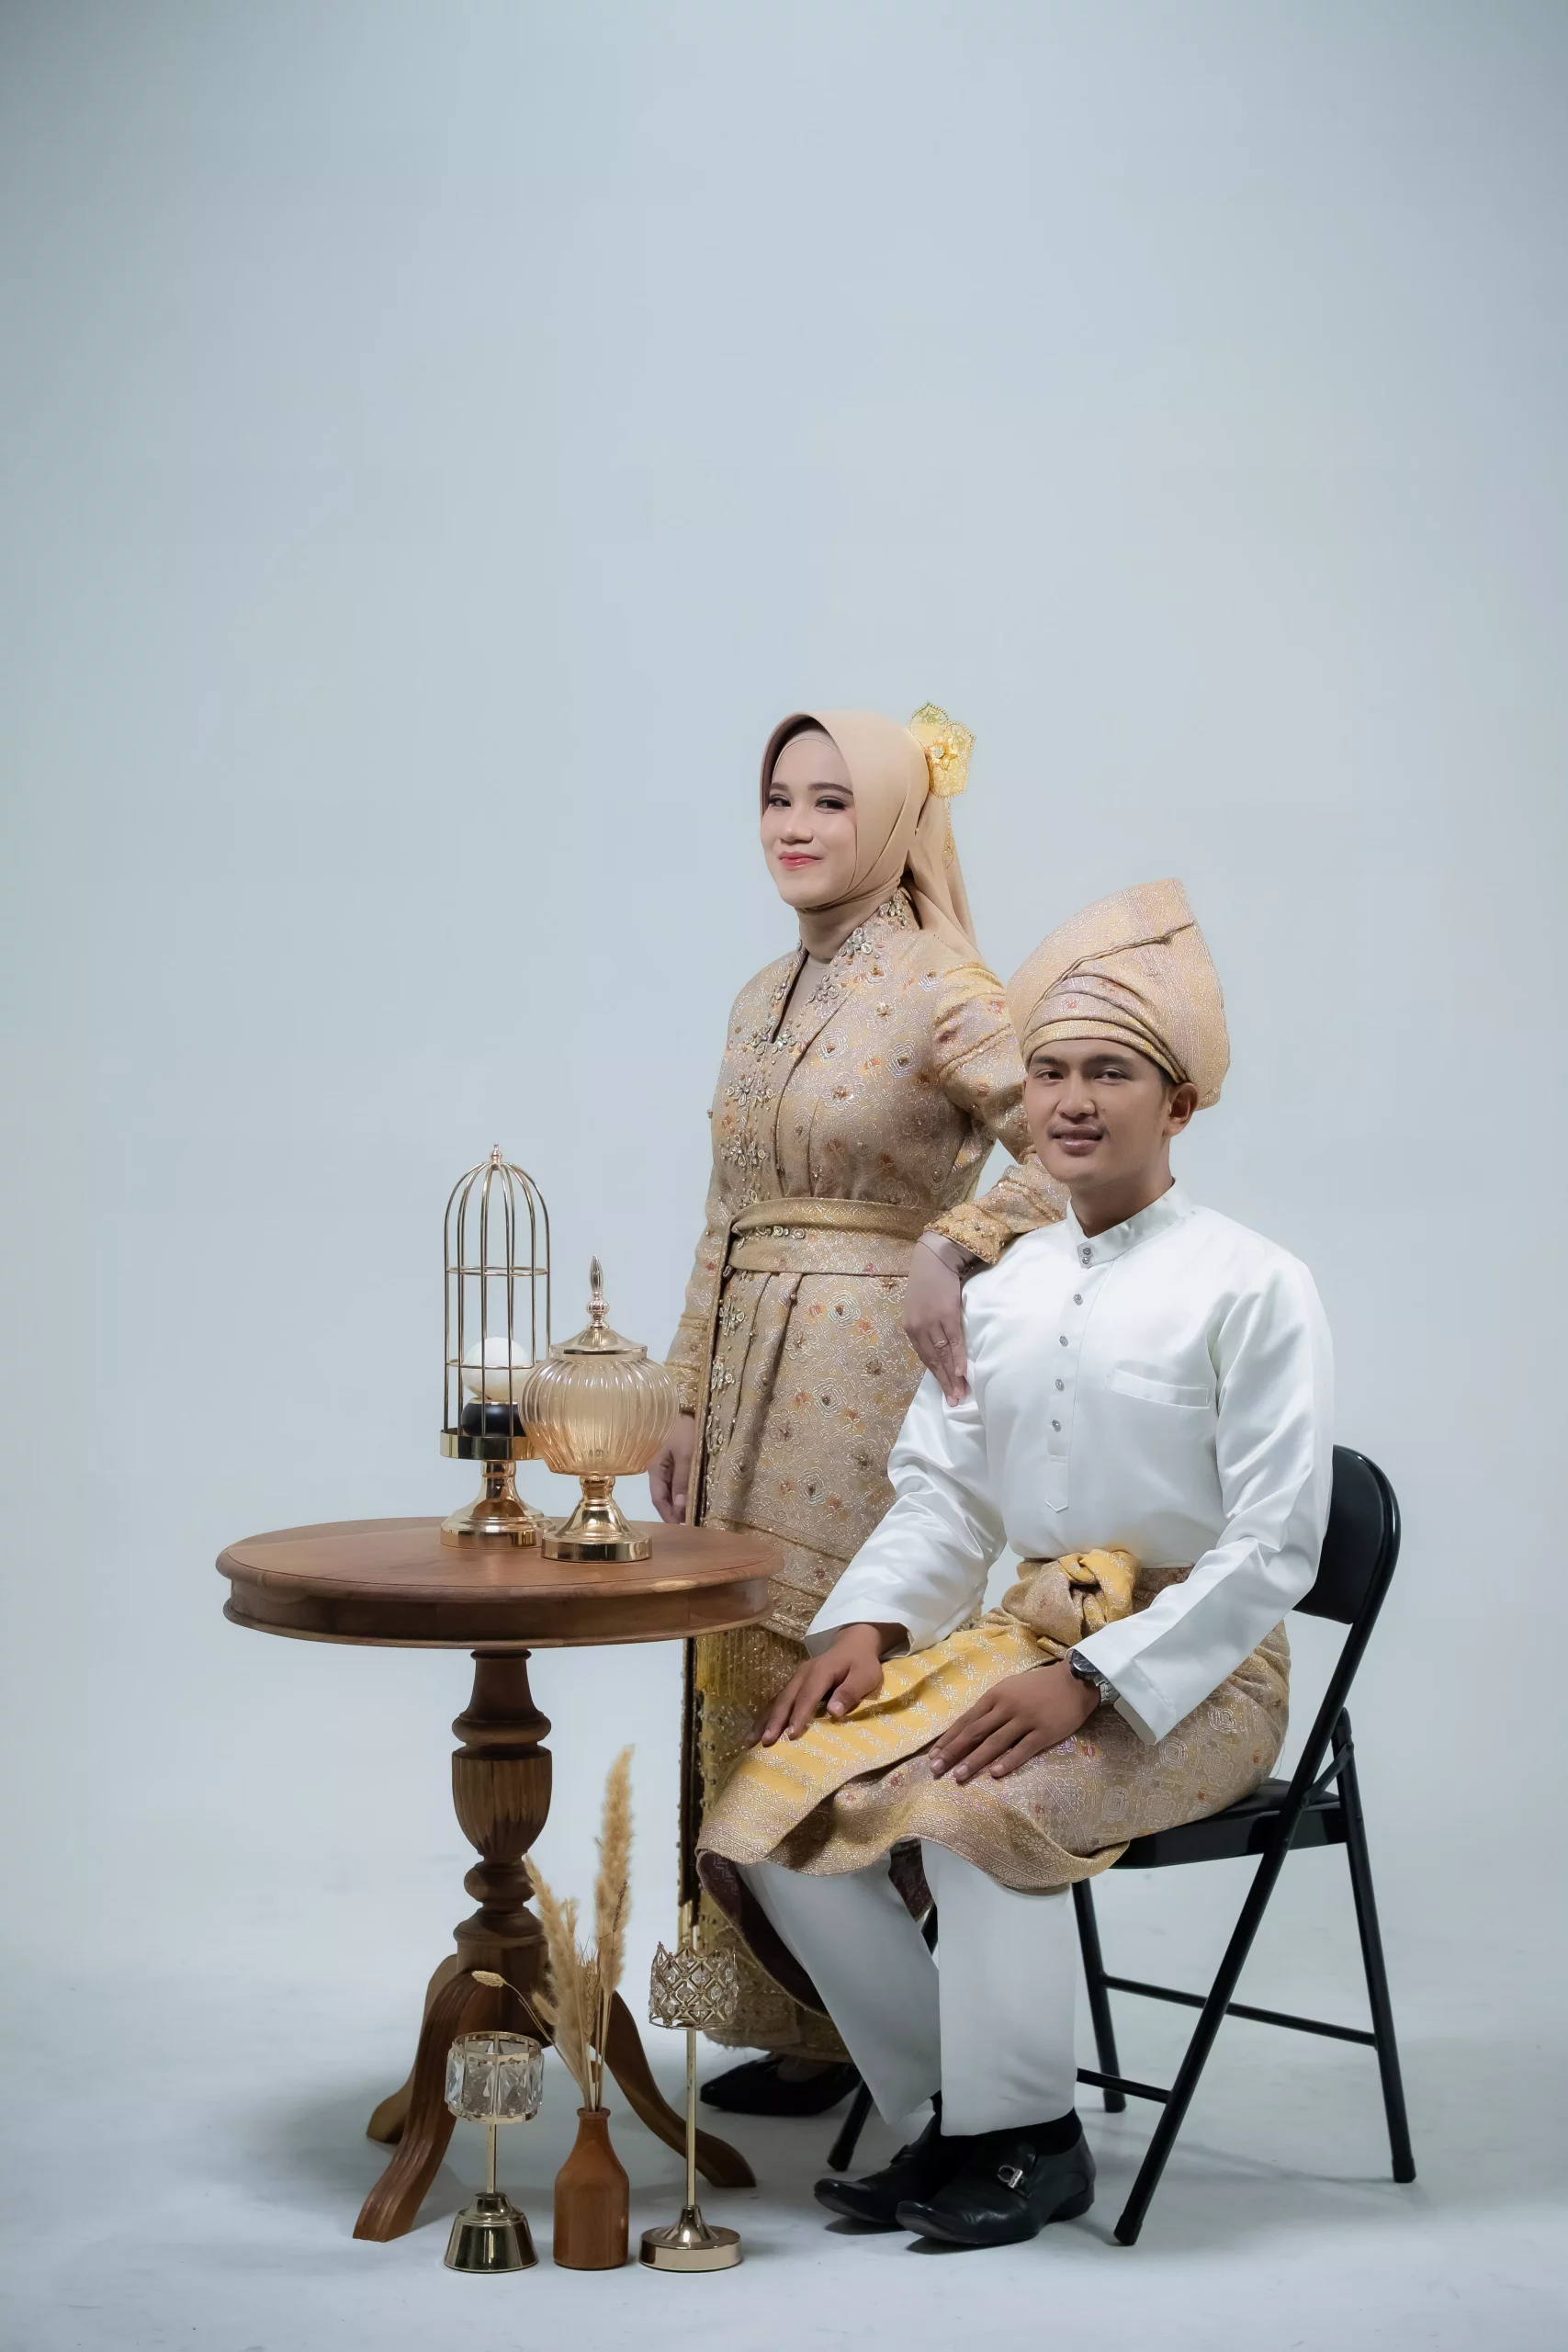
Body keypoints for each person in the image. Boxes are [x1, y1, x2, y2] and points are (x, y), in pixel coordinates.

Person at [697, 878, 1334, 2245]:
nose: (1071, 1101)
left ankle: (1024, 2142)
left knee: (973, 1811)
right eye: (1049, 1072)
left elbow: (1275, 1544)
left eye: (1111, 1073)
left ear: (1180, 1106)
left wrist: (1094, 1680)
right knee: (775, 1802)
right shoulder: (1006, 1286)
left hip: (1200, 1678)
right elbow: (941, 1496)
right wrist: (866, 1628)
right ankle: (956, 2119)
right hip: (1019, 1643)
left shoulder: (1254, 1283)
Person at [650, 706, 1065, 2115]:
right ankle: (808, 2026)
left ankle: (909, 2041)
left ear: (892, 818)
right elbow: (724, 1210)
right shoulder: (760, 992)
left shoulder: (944, 983)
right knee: (733, 1666)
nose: (795, 825)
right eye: (778, 796)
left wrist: (958, 1242)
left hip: (864, 1379)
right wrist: (679, 1391)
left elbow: (1069, 1148)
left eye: (831, 800)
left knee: (832, 1672)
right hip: (744, 1374)